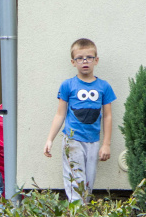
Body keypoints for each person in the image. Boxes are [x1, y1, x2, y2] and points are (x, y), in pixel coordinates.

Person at [43, 38, 117, 202]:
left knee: (88, 184)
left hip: (93, 141)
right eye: (80, 58)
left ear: (96, 60)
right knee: (76, 184)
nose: (85, 61)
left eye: (89, 57)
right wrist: (50, 139)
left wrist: (106, 144)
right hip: (72, 140)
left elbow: (107, 116)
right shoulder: (67, 85)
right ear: (73, 62)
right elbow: (60, 114)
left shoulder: (104, 87)